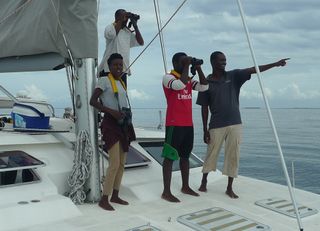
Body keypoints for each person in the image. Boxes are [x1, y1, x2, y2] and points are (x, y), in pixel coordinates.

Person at [197, 51, 289, 198]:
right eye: (221, 60)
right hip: (216, 124)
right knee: (211, 154)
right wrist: (204, 129)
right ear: (213, 62)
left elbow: (254, 69)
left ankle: (229, 188)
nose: (224, 63)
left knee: (233, 155)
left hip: (235, 123)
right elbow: (204, 107)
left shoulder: (233, 76)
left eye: (225, 60)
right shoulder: (206, 82)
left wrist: (275, 64)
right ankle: (203, 182)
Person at [90, 53, 136, 211]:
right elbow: (93, 101)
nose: (118, 68)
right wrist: (111, 112)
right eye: (115, 65)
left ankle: (115, 195)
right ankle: (104, 198)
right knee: (114, 163)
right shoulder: (104, 80)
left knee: (122, 163)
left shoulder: (121, 82)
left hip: (123, 124)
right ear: (109, 66)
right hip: (110, 123)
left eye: (120, 65)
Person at [161, 52, 209, 202]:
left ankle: (185, 186)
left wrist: (198, 68)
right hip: (174, 123)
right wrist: (187, 65)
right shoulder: (168, 77)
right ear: (175, 63)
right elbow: (179, 85)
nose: (185, 65)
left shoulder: (188, 78)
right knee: (169, 157)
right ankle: (166, 191)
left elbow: (204, 87)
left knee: (185, 156)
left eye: (186, 62)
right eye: (182, 62)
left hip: (188, 124)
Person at [98, 9, 144, 86]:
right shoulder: (110, 27)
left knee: (121, 95)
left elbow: (141, 42)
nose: (125, 19)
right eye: (123, 16)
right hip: (108, 69)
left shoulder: (127, 32)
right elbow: (111, 35)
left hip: (122, 70)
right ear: (117, 18)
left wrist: (135, 26)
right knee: (107, 95)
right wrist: (121, 19)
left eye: (126, 17)